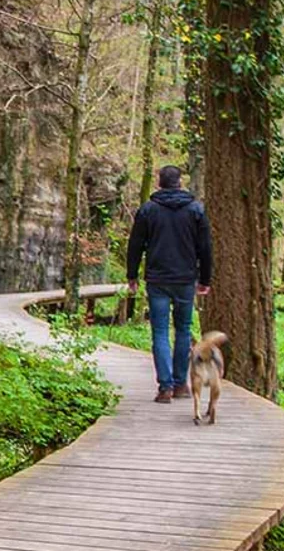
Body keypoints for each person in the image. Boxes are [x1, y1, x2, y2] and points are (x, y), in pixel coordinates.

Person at [126, 165, 213, 403]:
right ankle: (180, 384)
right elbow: (205, 247)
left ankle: (165, 388)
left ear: (159, 183)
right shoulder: (196, 210)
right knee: (183, 329)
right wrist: (205, 279)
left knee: (160, 331)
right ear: (180, 182)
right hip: (185, 279)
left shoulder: (148, 210)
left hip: (157, 279)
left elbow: (135, 244)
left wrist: (131, 275)